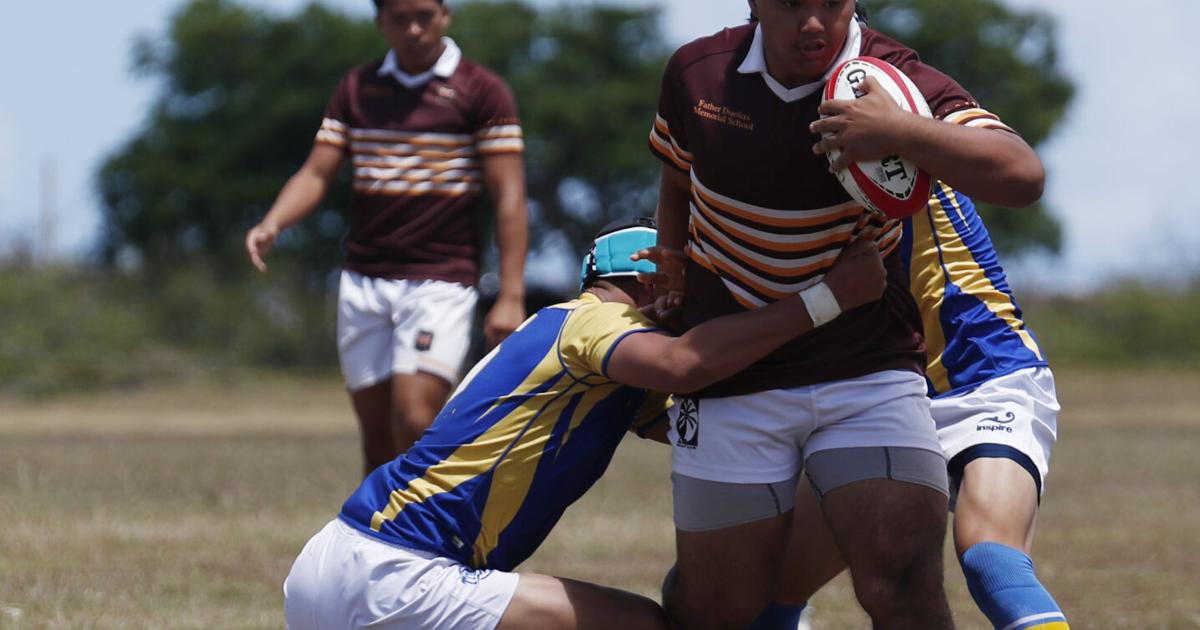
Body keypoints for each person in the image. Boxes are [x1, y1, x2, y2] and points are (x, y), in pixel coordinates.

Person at [282, 217, 890, 630]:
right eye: (694, 286)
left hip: (337, 558)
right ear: (651, 281)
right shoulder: (593, 326)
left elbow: (706, 423)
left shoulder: (575, 349)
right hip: (402, 571)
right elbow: (685, 365)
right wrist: (828, 297)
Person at [646, 0, 1045, 627]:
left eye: (831, 3)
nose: (813, 23)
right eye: (792, 5)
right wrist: (671, 262)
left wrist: (897, 131)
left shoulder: (892, 79)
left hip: (865, 367)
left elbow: (1022, 175)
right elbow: (677, 173)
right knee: (715, 607)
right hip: (733, 373)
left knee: (903, 580)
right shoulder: (698, 73)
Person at [245, 0, 529, 476]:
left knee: (415, 417)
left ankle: (429, 533)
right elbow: (317, 173)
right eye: (400, 19)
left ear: (445, 15)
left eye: (425, 16)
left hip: (441, 279)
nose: (414, 29)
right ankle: (377, 543)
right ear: (380, 22)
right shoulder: (359, 88)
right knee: (376, 438)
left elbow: (510, 197)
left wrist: (511, 293)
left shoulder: (481, 90)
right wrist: (273, 222)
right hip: (365, 279)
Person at [771, 186, 1070, 630]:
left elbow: (1019, 174)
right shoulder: (778, 171)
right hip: (878, 395)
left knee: (991, 558)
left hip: (982, 376)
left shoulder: (905, 128)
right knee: (768, 591)